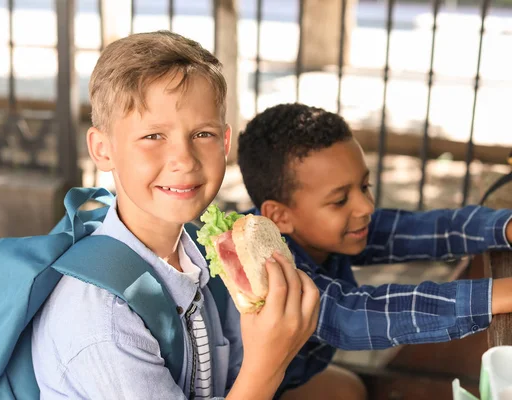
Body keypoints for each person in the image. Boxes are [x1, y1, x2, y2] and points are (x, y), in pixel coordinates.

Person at [31, 33, 321, 399]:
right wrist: (269, 365)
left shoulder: (202, 258)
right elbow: (254, 376)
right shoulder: (102, 320)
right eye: (153, 136)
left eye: (202, 133)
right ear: (102, 150)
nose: (184, 159)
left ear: (226, 143)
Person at [237, 103, 512, 400]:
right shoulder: (265, 269)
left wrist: (504, 227)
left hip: (289, 378)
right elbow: (354, 316)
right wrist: (495, 295)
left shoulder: (319, 230)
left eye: (364, 186)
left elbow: (423, 230)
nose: (366, 206)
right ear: (280, 217)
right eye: (340, 199)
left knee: (349, 390)